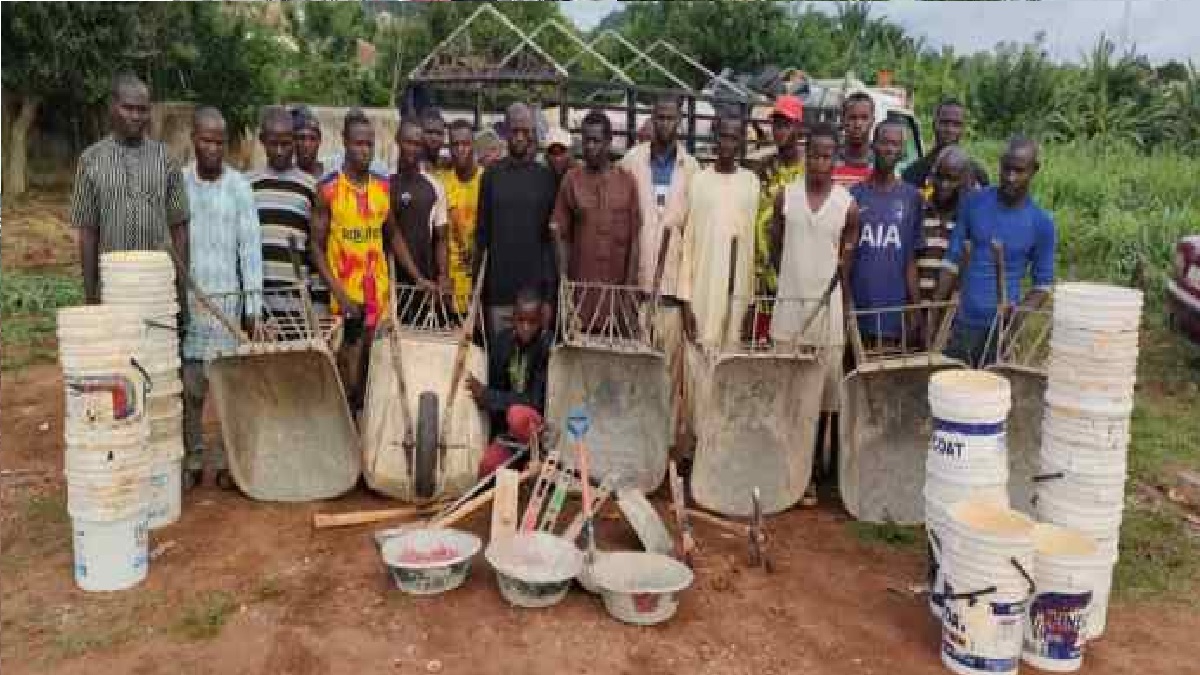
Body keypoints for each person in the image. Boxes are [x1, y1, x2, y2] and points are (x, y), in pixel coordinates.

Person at [769, 122, 860, 507]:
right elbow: (775, 246)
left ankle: (808, 474)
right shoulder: (785, 197)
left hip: (828, 315)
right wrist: (789, 280)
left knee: (822, 400)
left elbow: (846, 261)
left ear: (835, 159)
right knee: (789, 395)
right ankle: (784, 470)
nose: (820, 163)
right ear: (807, 155)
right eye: (815, 155)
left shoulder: (847, 206)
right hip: (789, 311)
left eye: (828, 156)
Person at [311, 110, 417, 415]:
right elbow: (315, 248)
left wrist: (417, 275)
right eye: (358, 143)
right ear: (344, 142)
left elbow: (392, 234)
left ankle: (366, 436)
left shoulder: (382, 187)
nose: (365, 150)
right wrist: (341, 295)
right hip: (345, 298)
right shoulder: (329, 188)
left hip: (378, 296)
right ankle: (345, 433)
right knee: (347, 372)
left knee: (374, 370)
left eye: (369, 144)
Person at [179, 107, 263, 490]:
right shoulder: (178, 184)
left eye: (219, 141)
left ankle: (232, 461)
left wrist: (253, 308)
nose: (213, 148)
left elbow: (250, 251)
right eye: (206, 140)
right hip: (192, 310)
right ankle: (194, 459)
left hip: (229, 312)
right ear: (193, 139)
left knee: (231, 395)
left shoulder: (239, 187)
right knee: (192, 391)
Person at [620, 96, 700, 443]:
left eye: (671, 118)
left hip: (670, 292)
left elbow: (693, 233)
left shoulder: (691, 168)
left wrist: (687, 300)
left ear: (679, 121)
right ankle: (635, 442)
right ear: (651, 119)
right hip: (637, 291)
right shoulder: (631, 162)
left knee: (667, 375)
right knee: (636, 371)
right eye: (659, 117)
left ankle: (662, 445)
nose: (665, 124)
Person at [71, 73, 189, 304]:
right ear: (112, 107)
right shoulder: (90, 160)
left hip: (157, 287)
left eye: (143, 110)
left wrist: (181, 293)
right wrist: (91, 295)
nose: (136, 116)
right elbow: (88, 232)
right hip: (113, 287)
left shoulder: (166, 159)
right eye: (128, 108)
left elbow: (180, 229)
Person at [937, 136, 1055, 366]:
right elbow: (951, 261)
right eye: (1006, 169)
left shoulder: (1041, 223)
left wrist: (1016, 318)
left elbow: (1043, 285)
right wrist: (935, 316)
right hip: (961, 324)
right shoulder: (973, 204)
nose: (1010, 178)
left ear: (1034, 170)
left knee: (991, 397)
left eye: (1019, 171)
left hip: (1000, 329)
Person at [551, 110, 642, 330]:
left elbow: (635, 240)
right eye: (586, 141)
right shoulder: (572, 180)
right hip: (581, 295)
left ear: (609, 142)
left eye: (596, 141)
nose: (590, 147)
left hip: (616, 297)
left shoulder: (626, 182)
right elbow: (559, 235)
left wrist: (629, 293)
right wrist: (565, 286)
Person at [475, 102, 558, 341]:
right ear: (506, 131)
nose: (520, 137)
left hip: (533, 299)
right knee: (498, 366)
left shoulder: (545, 178)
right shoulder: (491, 176)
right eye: (515, 131)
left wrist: (548, 299)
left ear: (533, 132)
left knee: (532, 371)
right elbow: (482, 238)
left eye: (526, 131)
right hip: (498, 295)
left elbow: (549, 244)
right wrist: (478, 296)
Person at [680, 115, 759, 351]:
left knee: (731, 365)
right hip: (702, 292)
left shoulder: (751, 183)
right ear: (715, 138)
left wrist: (751, 302)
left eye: (733, 139)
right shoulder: (699, 181)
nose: (727, 144)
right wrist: (685, 301)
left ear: (741, 143)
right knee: (699, 362)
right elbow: (688, 244)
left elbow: (752, 247)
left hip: (738, 295)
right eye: (723, 137)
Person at [848, 121, 924, 346]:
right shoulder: (855, 195)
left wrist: (916, 307)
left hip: (893, 314)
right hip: (857, 312)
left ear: (902, 152)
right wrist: (844, 302)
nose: (889, 149)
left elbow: (910, 259)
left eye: (895, 144)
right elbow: (846, 257)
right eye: (884, 142)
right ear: (873, 145)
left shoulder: (912, 198)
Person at [467, 286, 552, 478]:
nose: (526, 327)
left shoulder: (547, 347)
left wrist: (488, 396)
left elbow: (535, 401)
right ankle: (516, 465)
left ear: (541, 321)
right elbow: (496, 388)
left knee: (517, 414)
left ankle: (535, 457)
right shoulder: (502, 342)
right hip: (508, 432)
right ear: (513, 318)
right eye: (521, 320)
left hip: (535, 428)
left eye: (532, 322)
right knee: (487, 469)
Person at [247, 106, 319, 316]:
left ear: (294, 141)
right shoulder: (247, 185)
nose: (279, 151)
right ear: (262, 141)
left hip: (298, 305)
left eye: (286, 144)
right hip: (258, 305)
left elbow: (315, 248)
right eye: (273, 144)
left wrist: (317, 305)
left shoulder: (310, 187)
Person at [753, 95, 805, 301]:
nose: (780, 131)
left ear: (799, 128)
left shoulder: (809, 172)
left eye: (786, 125)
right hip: (763, 277)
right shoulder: (764, 168)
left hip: (796, 276)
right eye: (776, 125)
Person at [390, 119, 450, 298]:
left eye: (418, 144)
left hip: (426, 284)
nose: (413, 149)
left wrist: (443, 275)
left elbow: (441, 238)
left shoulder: (434, 186)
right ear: (398, 140)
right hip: (391, 283)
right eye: (408, 142)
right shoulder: (384, 182)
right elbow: (391, 235)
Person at [435, 120, 483, 315]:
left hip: (479, 280)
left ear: (473, 146)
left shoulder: (487, 180)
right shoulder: (441, 182)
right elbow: (439, 237)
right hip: (451, 280)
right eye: (455, 144)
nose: (461, 150)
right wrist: (443, 276)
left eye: (465, 144)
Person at [917, 146, 974, 303]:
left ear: (964, 180)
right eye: (940, 177)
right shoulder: (918, 208)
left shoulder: (969, 218)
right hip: (914, 307)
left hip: (951, 311)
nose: (944, 185)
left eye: (952, 179)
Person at [902, 98, 990, 193]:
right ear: (934, 125)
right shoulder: (913, 173)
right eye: (944, 123)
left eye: (956, 124)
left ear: (963, 129)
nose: (950, 130)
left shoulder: (977, 173)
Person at [832, 91, 875, 187]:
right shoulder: (828, 159)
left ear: (872, 121)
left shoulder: (881, 161)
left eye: (864, 118)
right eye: (852, 118)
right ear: (842, 121)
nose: (858, 124)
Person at [292, 105, 325, 180]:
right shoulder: (287, 179)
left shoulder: (332, 174)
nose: (306, 145)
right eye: (301, 138)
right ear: (293, 141)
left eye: (312, 139)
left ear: (319, 140)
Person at [543, 126, 575, 194]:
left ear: (570, 152)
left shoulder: (581, 179)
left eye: (562, 152)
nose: (558, 158)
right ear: (546, 155)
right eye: (553, 153)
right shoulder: (542, 180)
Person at [421, 107, 449, 172]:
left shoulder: (448, 165)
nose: (434, 138)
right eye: (429, 132)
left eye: (439, 133)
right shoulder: (411, 165)